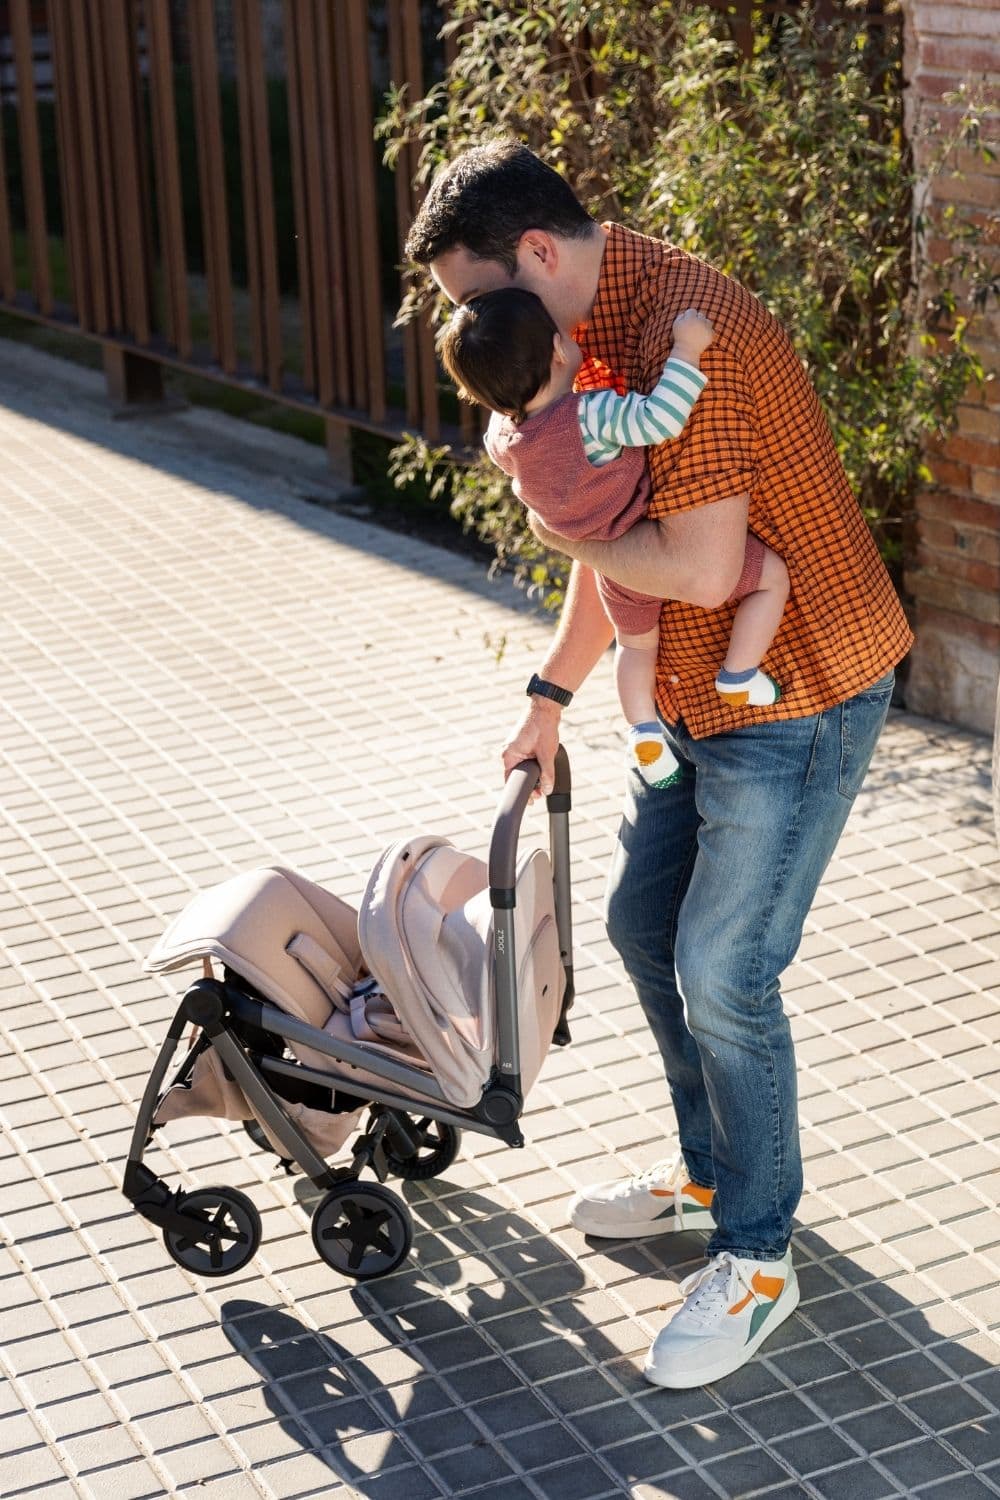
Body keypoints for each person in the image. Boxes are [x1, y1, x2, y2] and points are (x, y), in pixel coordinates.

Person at [404, 137, 912, 1389]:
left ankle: (756, 1252)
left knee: (723, 970)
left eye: (473, 299)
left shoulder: (699, 343)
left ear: (533, 256)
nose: (477, 328)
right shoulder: (577, 338)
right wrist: (549, 693)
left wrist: (540, 509)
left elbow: (681, 567)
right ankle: (707, 1175)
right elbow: (610, 531)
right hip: (694, 686)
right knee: (641, 930)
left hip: (794, 690)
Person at [438, 287, 790, 789]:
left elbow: (503, 414)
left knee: (635, 646)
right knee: (770, 578)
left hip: (612, 575)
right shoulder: (589, 416)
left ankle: (643, 728)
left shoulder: (504, 439)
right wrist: (687, 349)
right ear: (560, 350)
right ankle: (738, 671)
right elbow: (661, 418)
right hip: (651, 546)